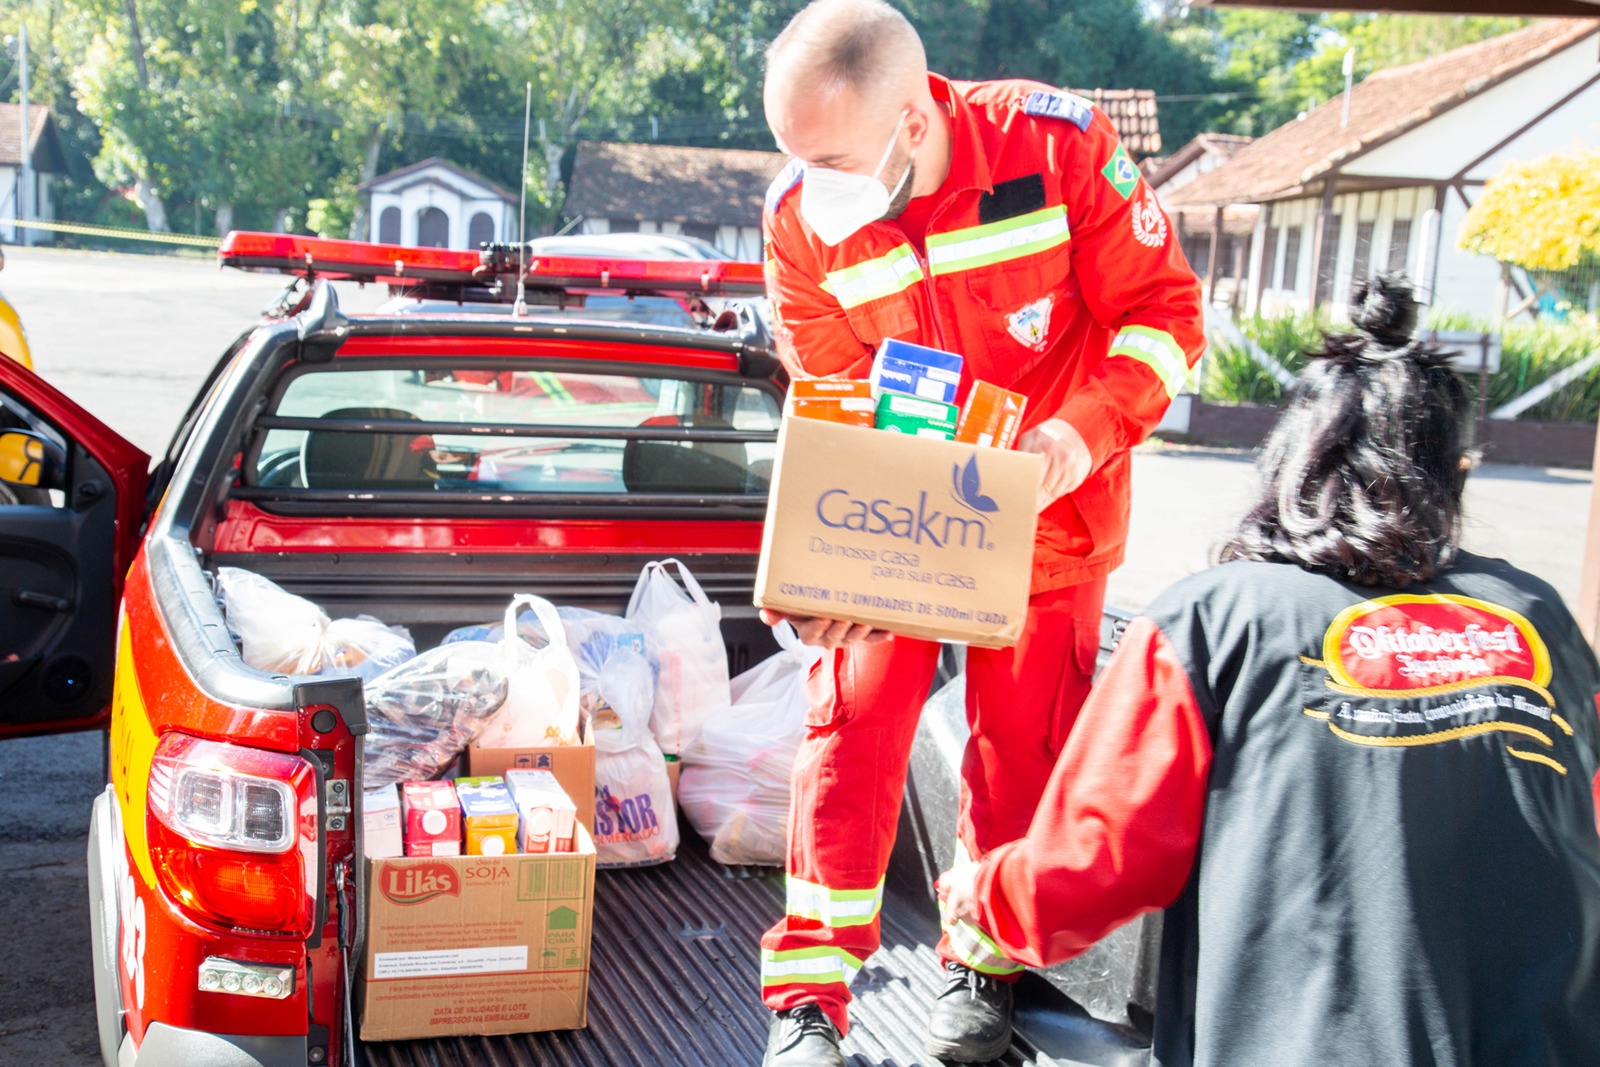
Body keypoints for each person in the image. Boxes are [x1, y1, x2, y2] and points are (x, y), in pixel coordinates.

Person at [939, 274, 1600, 1067]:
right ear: (1455, 472)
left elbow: (1094, 863)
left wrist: (984, 896)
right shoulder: (1539, 616)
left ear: (1290, 463)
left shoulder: (1213, 621)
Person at [755, 1, 1203, 1062]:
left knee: (1020, 753)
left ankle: (980, 968)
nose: (809, 183)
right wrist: (810, 560)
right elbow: (826, 390)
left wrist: (1074, 437)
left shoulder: (1057, 148)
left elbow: (1169, 319)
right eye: (794, 156)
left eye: (832, 156)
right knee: (846, 734)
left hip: (1049, 519)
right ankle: (809, 997)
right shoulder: (797, 214)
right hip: (893, 521)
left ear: (913, 121)